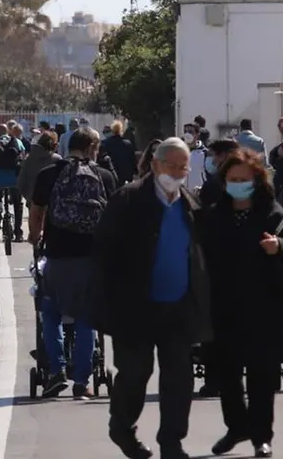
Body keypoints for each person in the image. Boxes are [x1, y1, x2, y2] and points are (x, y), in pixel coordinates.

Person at [95, 137, 212, 459]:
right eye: (171, 165)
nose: (176, 172)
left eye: (182, 166)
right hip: (135, 309)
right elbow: (104, 255)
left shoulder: (191, 204)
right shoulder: (128, 200)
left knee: (179, 379)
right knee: (135, 374)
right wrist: (108, 305)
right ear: (155, 164)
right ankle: (122, 427)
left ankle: (172, 443)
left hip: (179, 308)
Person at [205, 149, 283, 458]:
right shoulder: (213, 214)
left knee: (262, 378)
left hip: (266, 309)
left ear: (257, 181)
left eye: (243, 180)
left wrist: (279, 246)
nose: (238, 185)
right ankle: (237, 427)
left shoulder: (272, 214)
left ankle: (262, 436)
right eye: (232, 180)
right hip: (224, 309)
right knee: (227, 375)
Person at [28, 128, 117, 399]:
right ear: (92, 147)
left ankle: (56, 370)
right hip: (91, 257)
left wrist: (35, 240)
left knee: (50, 313)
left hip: (57, 256)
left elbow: (36, 214)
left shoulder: (49, 175)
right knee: (86, 318)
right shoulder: (104, 176)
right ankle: (82, 381)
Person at [0, 123, 25, 241]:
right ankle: (18, 232)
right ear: (8, 131)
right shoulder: (17, 142)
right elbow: (23, 158)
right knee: (18, 204)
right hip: (14, 179)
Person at [18, 131, 61, 205]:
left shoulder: (29, 159)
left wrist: (28, 196)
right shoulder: (56, 159)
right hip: (51, 202)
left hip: (33, 200)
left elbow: (21, 182)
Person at [101, 120, 137, 184]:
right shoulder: (128, 144)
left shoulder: (104, 144)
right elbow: (132, 160)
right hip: (126, 175)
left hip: (111, 175)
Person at [184, 122, 208, 191]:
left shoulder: (205, 153)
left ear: (197, 134)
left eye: (190, 132)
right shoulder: (179, 153)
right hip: (183, 195)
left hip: (198, 194)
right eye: (185, 132)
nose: (187, 134)